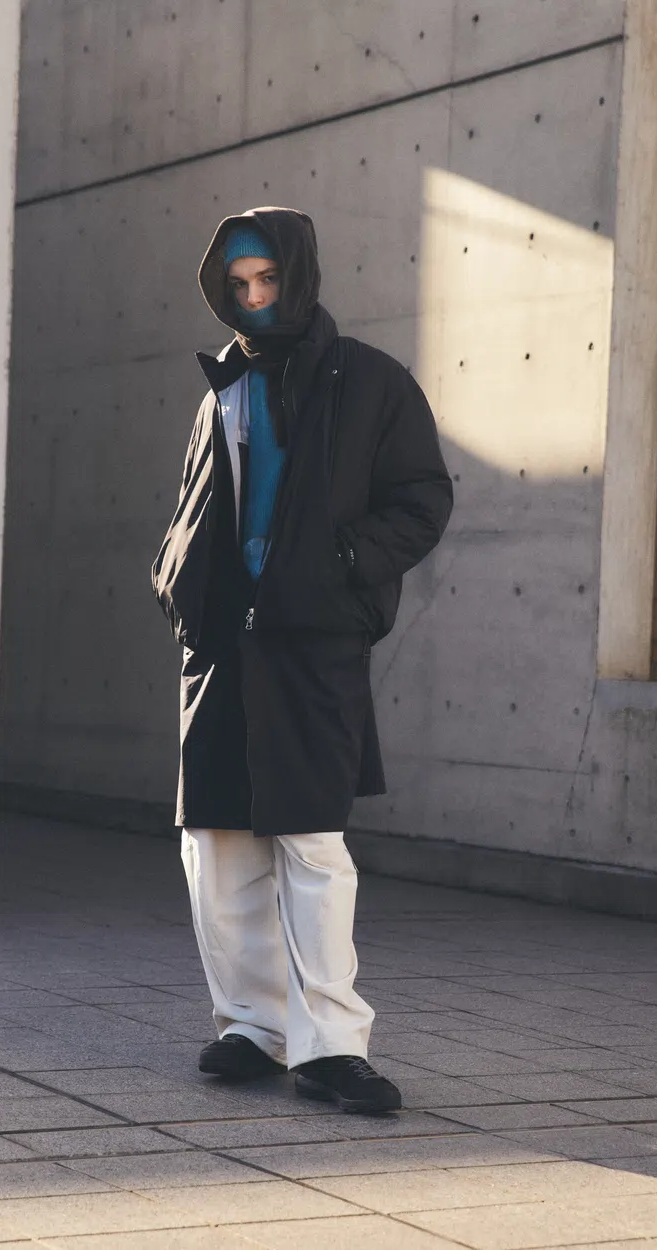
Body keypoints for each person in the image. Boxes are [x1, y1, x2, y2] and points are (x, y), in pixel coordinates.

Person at [152, 207, 453, 1114]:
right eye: (237, 284)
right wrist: (175, 578)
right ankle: (252, 1026)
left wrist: (342, 565)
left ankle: (330, 1047)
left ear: (300, 274)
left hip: (313, 640)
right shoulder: (222, 388)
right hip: (220, 647)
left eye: (268, 279)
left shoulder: (370, 381)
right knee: (217, 843)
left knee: (313, 846)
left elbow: (423, 498)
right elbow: (195, 506)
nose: (253, 297)